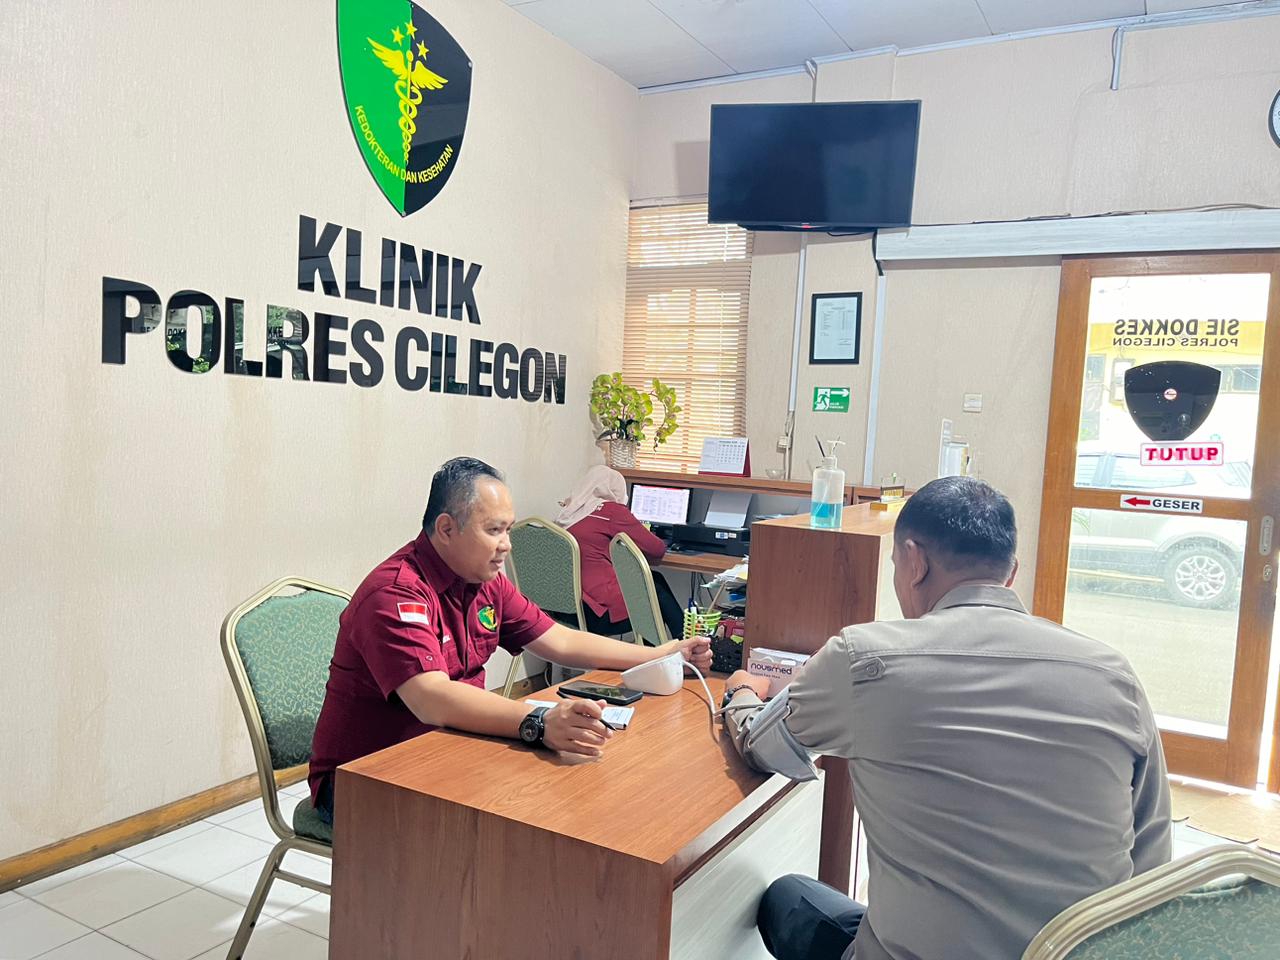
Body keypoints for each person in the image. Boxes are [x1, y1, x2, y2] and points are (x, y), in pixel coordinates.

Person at [720, 476, 1171, 960]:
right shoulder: (1113, 674)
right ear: (1011, 573)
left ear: (914, 562)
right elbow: (1152, 860)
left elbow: (765, 747)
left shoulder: (865, 659)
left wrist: (742, 689)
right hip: (1077, 952)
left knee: (788, 898)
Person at [308, 457, 712, 824]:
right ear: (446, 529)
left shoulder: (483, 581)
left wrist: (659, 653)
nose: (507, 544)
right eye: (493, 530)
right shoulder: (396, 593)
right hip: (364, 780)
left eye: (507, 529)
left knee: (574, 794)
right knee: (525, 816)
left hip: (449, 749)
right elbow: (432, 698)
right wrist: (538, 722)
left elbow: (559, 641)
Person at [556, 464, 686, 640]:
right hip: (599, 614)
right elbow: (657, 550)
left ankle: (668, 646)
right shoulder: (610, 511)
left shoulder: (567, 513)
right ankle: (685, 644)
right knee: (655, 592)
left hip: (566, 608)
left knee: (654, 579)